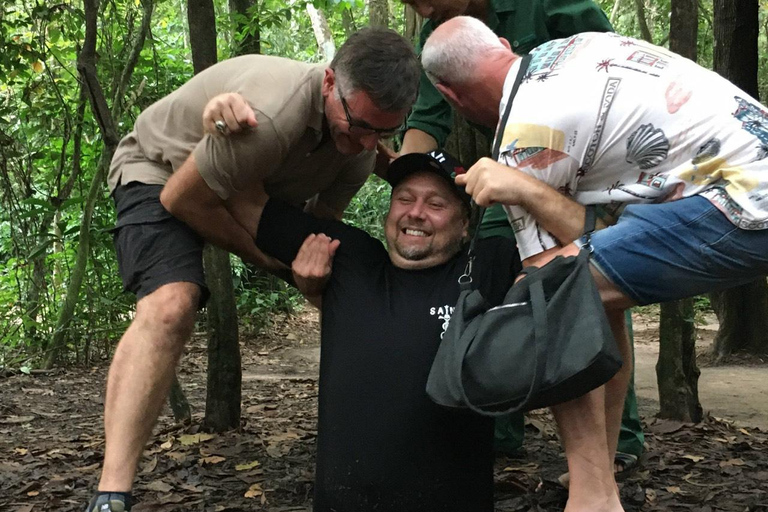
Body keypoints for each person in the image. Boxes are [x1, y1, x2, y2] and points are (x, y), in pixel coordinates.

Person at [422, 16, 768, 512]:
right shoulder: (574, 51)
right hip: (745, 176)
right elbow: (596, 243)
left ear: (450, 97)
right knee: (594, 293)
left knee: (546, 292)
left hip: (744, 203)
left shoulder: (524, 136)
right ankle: (597, 473)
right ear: (502, 44)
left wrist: (520, 187)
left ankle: (592, 499)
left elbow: (554, 281)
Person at [85, 27, 421, 512]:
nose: (364, 142)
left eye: (381, 132)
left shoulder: (358, 152)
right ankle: (111, 493)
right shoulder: (270, 118)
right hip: (160, 171)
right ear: (329, 83)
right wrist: (262, 257)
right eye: (357, 124)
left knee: (345, 274)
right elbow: (181, 199)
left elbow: (314, 230)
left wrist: (306, 273)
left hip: (241, 192)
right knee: (172, 304)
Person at [395, 0, 644, 469]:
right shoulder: (435, 37)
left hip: (588, 170)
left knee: (586, 282)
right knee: (490, 269)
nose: (422, 8)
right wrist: (406, 178)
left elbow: (611, 62)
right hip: (511, 169)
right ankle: (499, 424)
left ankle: (619, 440)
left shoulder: (549, 6)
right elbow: (427, 123)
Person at [255, 150, 522, 511]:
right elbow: (235, 202)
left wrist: (523, 188)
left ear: (464, 224)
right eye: (404, 199)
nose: (415, 212)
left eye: (436, 203)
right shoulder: (352, 256)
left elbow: (584, 251)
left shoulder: (488, 265)